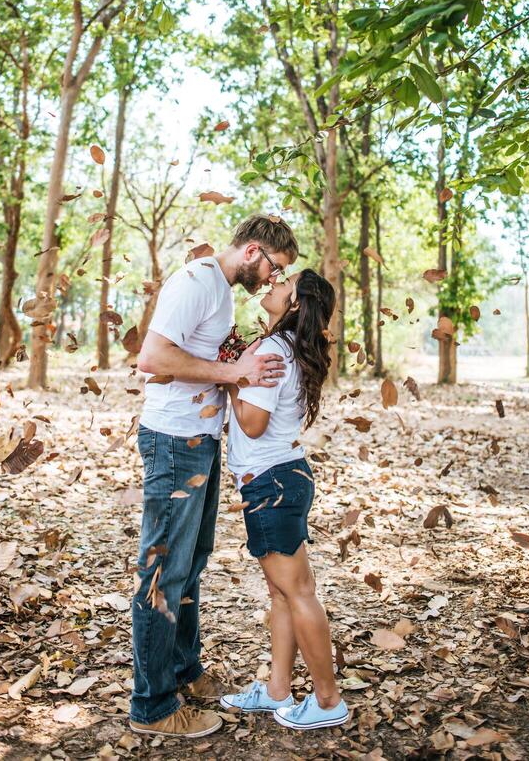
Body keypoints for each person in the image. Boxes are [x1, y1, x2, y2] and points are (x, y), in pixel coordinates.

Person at [130, 215, 299, 739]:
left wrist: (232, 357)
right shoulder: (198, 281)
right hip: (174, 442)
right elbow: (152, 356)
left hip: (200, 441)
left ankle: (184, 671)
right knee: (162, 570)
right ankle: (153, 706)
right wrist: (234, 372)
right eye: (276, 269)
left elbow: (198, 355)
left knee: (191, 564)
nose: (275, 281)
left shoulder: (220, 291)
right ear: (252, 251)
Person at [220, 269, 349, 731]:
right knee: (282, 592)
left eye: (282, 283)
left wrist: (233, 380)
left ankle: (328, 700)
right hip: (281, 478)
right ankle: (277, 690)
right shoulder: (287, 347)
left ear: (294, 303)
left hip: (271, 483)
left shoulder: (275, 350)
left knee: (296, 592)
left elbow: (252, 424)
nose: (271, 284)